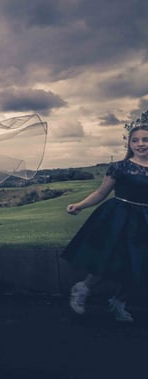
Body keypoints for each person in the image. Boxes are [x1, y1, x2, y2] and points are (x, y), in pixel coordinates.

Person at [61, 123, 148, 322]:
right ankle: (83, 288)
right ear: (130, 144)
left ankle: (119, 302)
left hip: (145, 221)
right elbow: (101, 192)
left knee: (141, 264)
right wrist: (80, 205)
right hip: (121, 218)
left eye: (145, 139)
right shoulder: (119, 168)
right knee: (112, 259)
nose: (140, 144)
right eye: (135, 140)